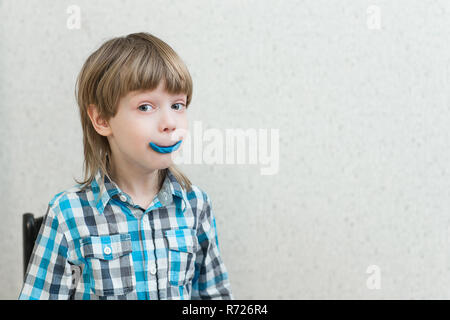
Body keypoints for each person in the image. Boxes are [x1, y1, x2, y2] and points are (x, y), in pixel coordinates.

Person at [19, 32, 233, 300]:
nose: (169, 122)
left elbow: (214, 296)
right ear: (102, 120)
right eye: (146, 107)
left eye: (177, 105)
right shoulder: (67, 214)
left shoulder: (197, 205)